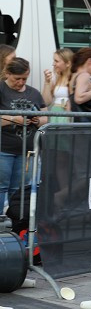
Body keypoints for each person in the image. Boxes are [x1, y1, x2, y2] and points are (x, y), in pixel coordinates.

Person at [0, 58, 45, 215]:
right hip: (3, 149)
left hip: (27, 151)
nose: (20, 82)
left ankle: (15, 222)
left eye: (24, 78)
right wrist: (13, 119)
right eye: (17, 78)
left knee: (19, 188)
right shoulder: (1, 89)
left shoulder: (34, 92)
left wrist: (38, 120)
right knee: (1, 186)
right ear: (7, 74)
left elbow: (46, 117)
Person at [42, 48, 74, 119]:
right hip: (56, 113)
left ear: (68, 63)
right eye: (54, 60)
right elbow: (46, 102)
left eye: (56, 61)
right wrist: (47, 82)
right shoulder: (55, 78)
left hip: (69, 115)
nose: (53, 64)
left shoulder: (74, 78)